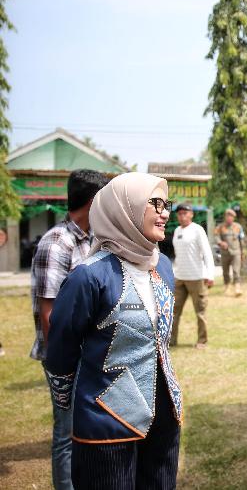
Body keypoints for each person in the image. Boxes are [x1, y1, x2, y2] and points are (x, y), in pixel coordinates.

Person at [44, 172, 182, 489]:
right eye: (155, 203)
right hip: (106, 423)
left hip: (165, 417)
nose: (164, 212)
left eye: (166, 204)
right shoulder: (88, 277)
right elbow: (60, 352)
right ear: (125, 208)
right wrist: (67, 405)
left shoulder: (162, 266)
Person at [29, 169, 109, 490]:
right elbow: (49, 314)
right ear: (93, 202)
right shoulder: (56, 243)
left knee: (83, 428)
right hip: (65, 357)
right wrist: (63, 366)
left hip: (85, 354)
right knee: (66, 434)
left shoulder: (92, 240)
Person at [170, 203, 215, 349]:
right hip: (180, 277)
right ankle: (171, 340)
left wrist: (210, 274)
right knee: (173, 311)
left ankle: (202, 340)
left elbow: (207, 253)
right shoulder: (177, 231)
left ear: (191, 214)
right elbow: (178, 255)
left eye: (185, 213)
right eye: (180, 213)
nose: (182, 216)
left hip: (197, 277)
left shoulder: (197, 230)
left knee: (200, 311)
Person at [214, 208, 245, 297]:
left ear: (233, 218)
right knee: (225, 271)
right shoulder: (220, 227)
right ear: (225, 217)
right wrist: (220, 242)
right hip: (225, 253)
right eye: (227, 216)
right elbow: (216, 236)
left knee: (236, 270)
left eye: (231, 217)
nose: (229, 218)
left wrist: (243, 252)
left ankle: (237, 287)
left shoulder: (238, 227)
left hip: (236, 252)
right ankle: (227, 286)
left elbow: (241, 240)